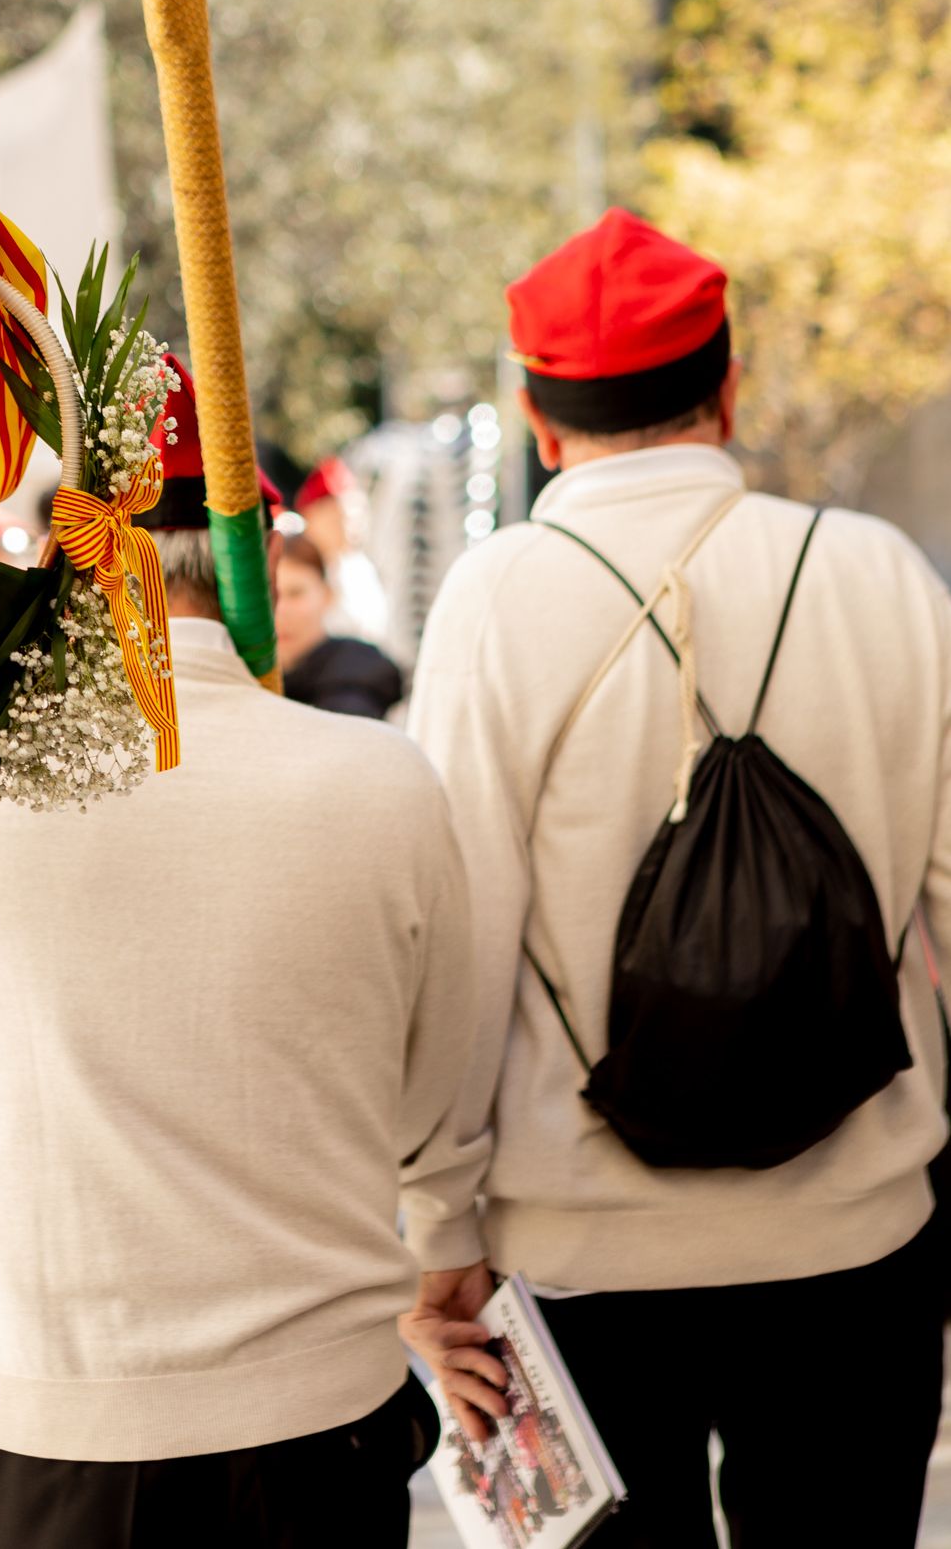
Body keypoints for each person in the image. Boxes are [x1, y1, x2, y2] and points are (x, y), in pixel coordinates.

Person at [401, 209, 951, 1549]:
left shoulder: (496, 595)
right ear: (726, 389)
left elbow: (455, 945)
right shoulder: (879, 571)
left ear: (538, 420)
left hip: (583, 1257)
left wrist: (436, 1230)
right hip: (855, 1238)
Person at [0, 361, 474, 1548]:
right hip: (316, 1434)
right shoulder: (381, 780)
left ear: (63, 558)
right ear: (256, 556)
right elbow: (435, 1107)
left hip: (49, 1431)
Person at [273, 529, 402, 720]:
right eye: (269, 596)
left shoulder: (357, 675)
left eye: (295, 593)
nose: (281, 611)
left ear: (327, 594)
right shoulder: (244, 676)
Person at [293, 457, 390, 646]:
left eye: (356, 517)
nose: (349, 526)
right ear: (311, 516)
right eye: (337, 517)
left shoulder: (362, 567)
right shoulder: (297, 568)